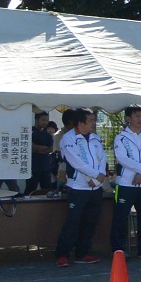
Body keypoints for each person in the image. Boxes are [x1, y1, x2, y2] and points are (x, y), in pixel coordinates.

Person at [56, 107, 110, 267]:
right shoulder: (68, 139)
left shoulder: (95, 138)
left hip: (95, 188)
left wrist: (99, 178)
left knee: (90, 222)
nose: (94, 124)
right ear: (80, 123)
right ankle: (62, 254)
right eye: (91, 121)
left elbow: (102, 157)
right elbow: (75, 161)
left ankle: (83, 253)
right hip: (78, 187)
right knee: (73, 222)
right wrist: (94, 175)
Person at [112, 104, 141, 258]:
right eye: (137, 116)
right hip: (126, 183)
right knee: (121, 217)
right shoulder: (121, 138)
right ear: (128, 118)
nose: (140, 119)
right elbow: (122, 158)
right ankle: (118, 249)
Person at [28, 110, 55, 193]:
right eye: (43, 120)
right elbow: (31, 147)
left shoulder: (47, 134)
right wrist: (43, 148)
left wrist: (37, 149)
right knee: (30, 188)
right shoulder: (30, 132)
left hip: (45, 166)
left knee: (46, 189)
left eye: (47, 120)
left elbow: (51, 149)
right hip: (33, 166)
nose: (45, 122)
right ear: (36, 120)